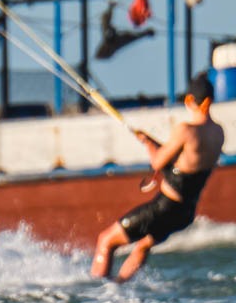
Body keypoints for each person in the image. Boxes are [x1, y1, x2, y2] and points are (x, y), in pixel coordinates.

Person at [91, 75, 225, 283]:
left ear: (190, 100)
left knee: (105, 241)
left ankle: (96, 293)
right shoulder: (218, 133)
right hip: (185, 213)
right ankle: (118, 288)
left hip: (164, 208)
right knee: (143, 245)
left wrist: (146, 142)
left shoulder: (186, 130)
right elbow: (186, 164)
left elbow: (158, 163)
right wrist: (152, 142)